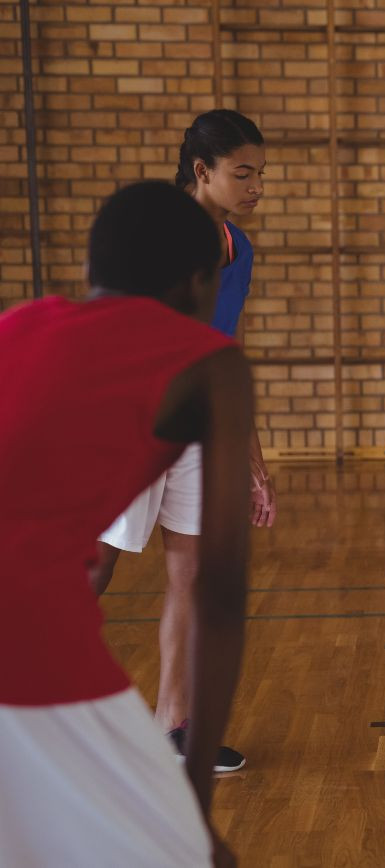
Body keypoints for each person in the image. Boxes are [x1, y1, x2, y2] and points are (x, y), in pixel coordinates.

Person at [0, 181, 251, 867]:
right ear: (200, 283)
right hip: (28, 646)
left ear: (90, 270)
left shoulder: (17, 325)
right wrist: (195, 802)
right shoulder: (211, 366)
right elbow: (220, 595)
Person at [89, 109, 276, 772]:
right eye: (243, 173)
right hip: (135, 419)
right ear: (202, 170)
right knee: (94, 566)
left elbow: (227, 347)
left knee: (191, 575)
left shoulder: (239, 249)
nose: (256, 186)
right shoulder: (152, 236)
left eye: (261, 174)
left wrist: (250, 455)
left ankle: (172, 725)